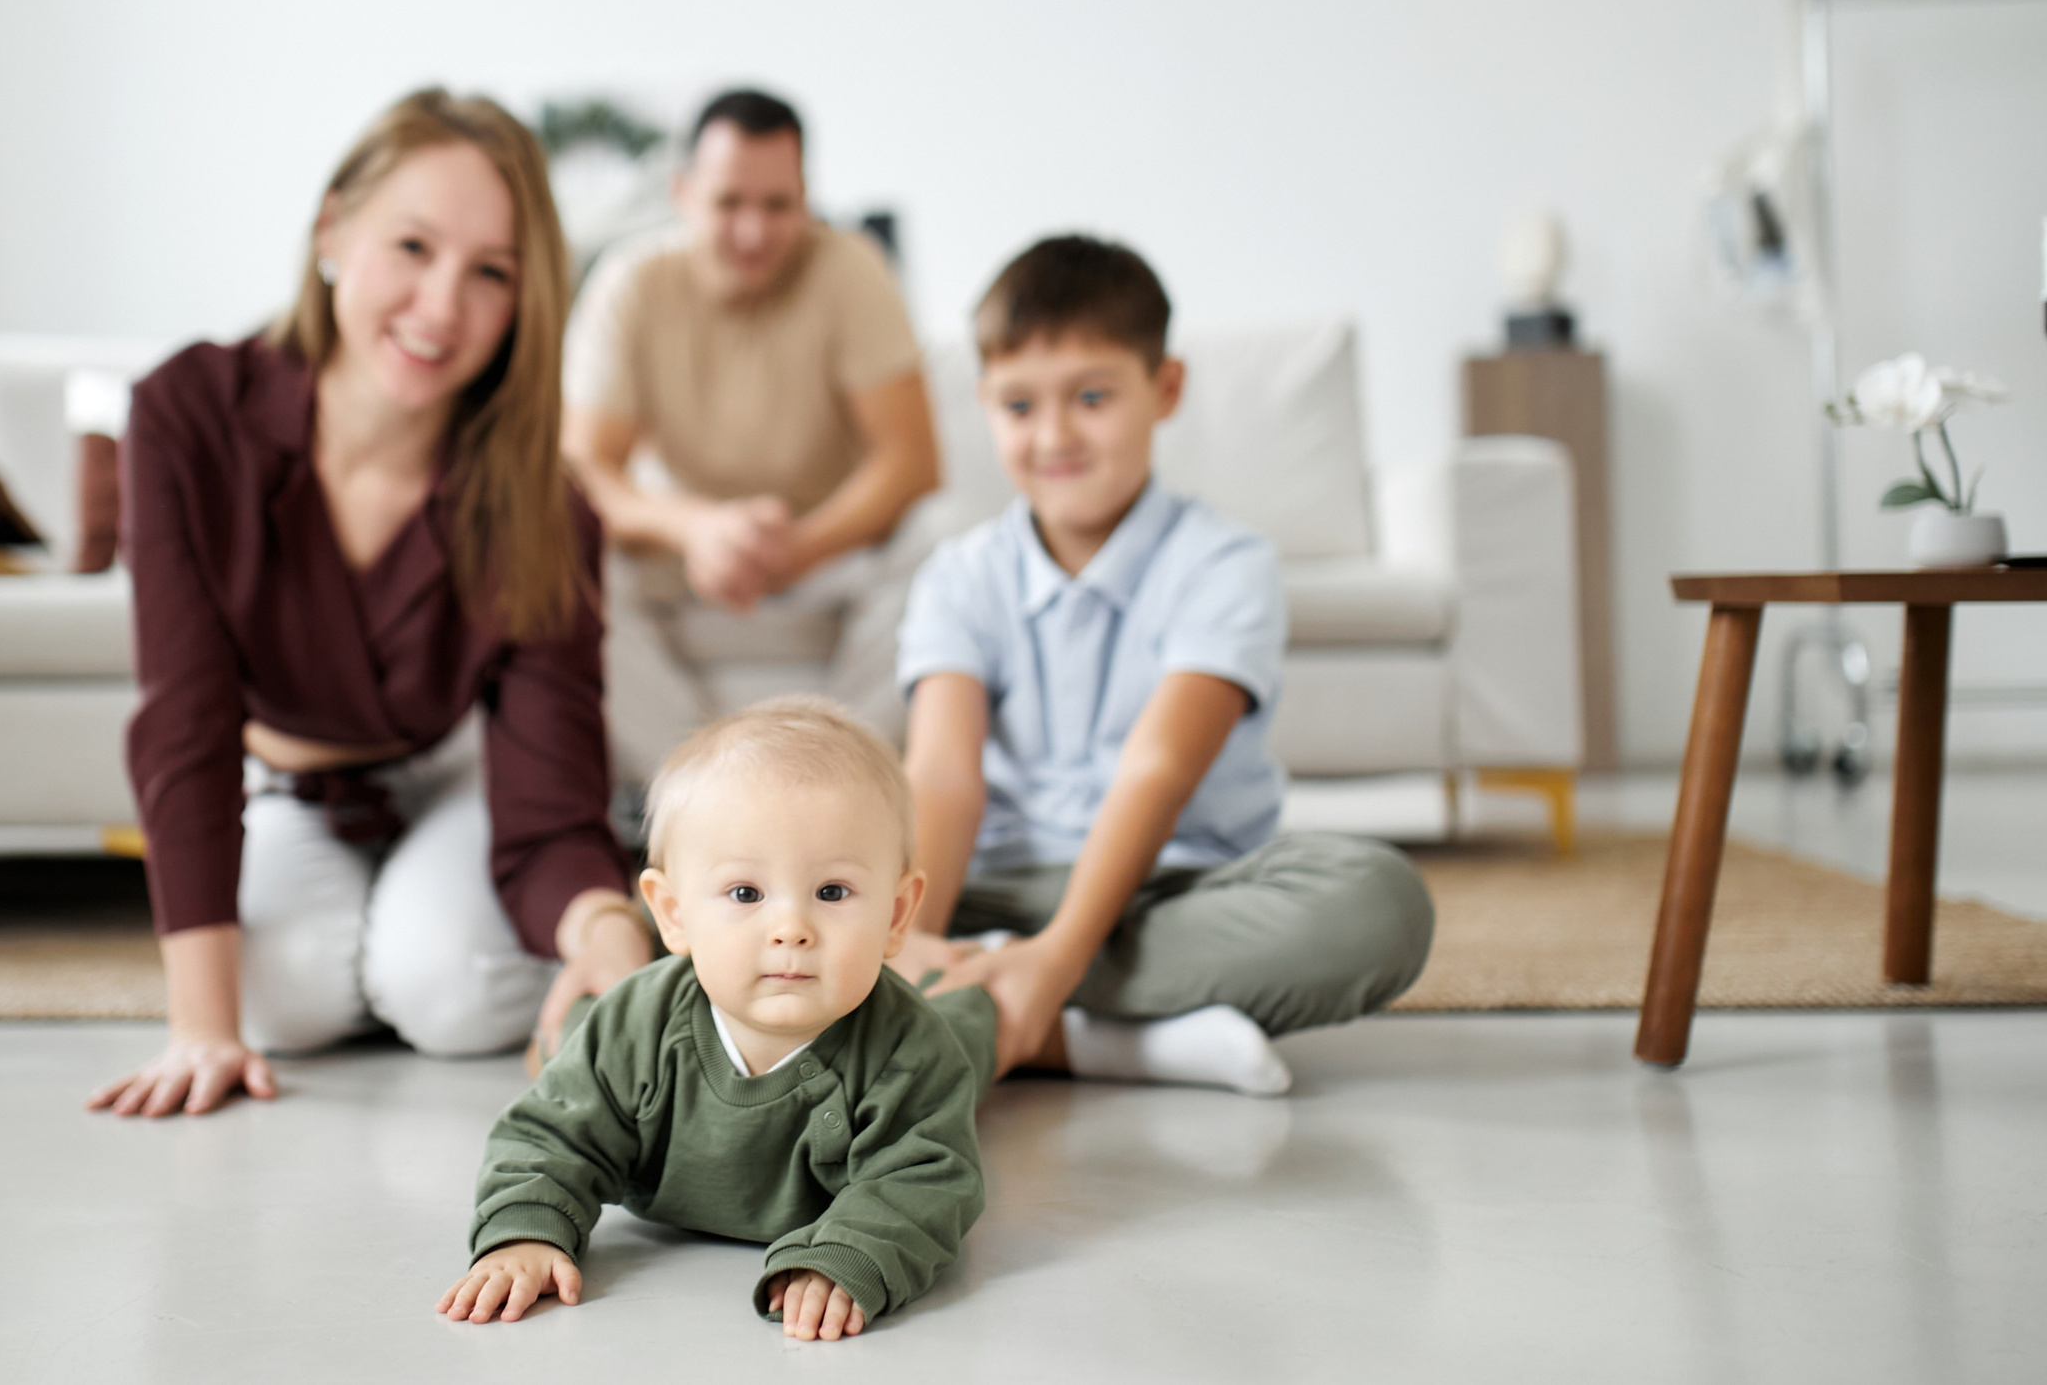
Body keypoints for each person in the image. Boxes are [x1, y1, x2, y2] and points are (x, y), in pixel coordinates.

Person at [90, 88, 651, 1120]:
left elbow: (548, 799)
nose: (441, 307)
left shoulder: (544, 506)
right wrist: (201, 1030)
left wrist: (620, 958)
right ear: (332, 229)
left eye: (491, 274)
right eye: (413, 247)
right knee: (278, 1005)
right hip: (293, 783)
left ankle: (423, 927)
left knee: (444, 991)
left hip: (455, 776)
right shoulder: (185, 415)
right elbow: (185, 722)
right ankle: (372, 931)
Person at [892, 237, 1435, 1095]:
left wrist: (1062, 956)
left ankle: (975, 1001)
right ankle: (1100, 1040)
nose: (1055, 434)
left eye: (1093, 396)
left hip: (1170, 889)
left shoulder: (1226, 564)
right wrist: (911, 934)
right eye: (1019, 405)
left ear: (1166, 388)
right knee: (736, 913)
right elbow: (944, 777)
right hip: (989, 892)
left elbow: (1159, 769)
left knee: (1379, 902)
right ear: (985, 405)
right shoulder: (960, 575)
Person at [438, 698, 995, 1342]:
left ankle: (979, 988)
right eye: (746, 894)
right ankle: (558, 1038)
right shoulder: (637, 1026)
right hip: (621, 1041)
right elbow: (549, 1138)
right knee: (581, 1053)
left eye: (832, 893)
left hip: (939, 1037)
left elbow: (927, 1179)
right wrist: (525, 1229)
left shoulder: (912, 1051)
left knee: (971, 1032)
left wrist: (851, 1255)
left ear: (897, 915)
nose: (791, 929)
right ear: (672, 914)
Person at [563, 89, 941, 780]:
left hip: (824, 553)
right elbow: (587, 471)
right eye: (730, 203)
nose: (754, 231)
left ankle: (839, 781)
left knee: (941, 543)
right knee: (558, 548)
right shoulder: (632, 284)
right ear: (683, 193)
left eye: (778, 205)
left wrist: (800, 547)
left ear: (806, 199)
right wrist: (698, 528)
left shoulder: (851, 268)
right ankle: (700, 786)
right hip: (682, 558)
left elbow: (912, 462)